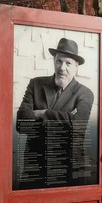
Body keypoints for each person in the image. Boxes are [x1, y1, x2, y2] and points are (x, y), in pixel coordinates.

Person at [15, 38, 95, 189]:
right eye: (59, 61)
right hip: (35, 169)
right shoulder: (35, 84)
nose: (62, 68)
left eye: (68, 63)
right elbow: (21, 123)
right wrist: (65, 121)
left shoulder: (84, 93)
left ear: (76, 66)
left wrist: (42, 113)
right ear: (54, 61)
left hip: (67, 171)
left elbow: (78, 126)